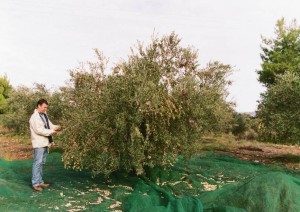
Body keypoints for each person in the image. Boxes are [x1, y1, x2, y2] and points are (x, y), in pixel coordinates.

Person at [29, 99, 61, 191]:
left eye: (46, 107)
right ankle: (35, 184)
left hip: (45, 143)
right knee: (37, 163)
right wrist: (52, 132)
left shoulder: (44, 115)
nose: (46, 109)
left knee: (42, 163)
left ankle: (40, 182)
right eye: (44, 107)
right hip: (39, 143)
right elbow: (39, 130)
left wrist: (58, 127)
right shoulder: (34, 117)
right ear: (39, 106)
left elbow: (50, 126)